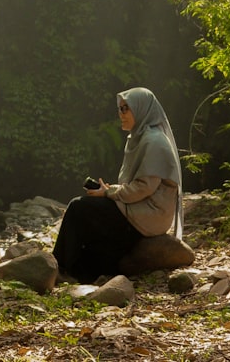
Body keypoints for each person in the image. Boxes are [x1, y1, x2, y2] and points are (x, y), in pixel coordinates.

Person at [51, 86, 184, 283]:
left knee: (78, 207)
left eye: (125, 109)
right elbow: (138, 185)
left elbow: (144, 187)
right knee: (92, 234)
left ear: (141, 109)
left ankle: (58, 266)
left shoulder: (154, 141)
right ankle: (71, 271)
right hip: (139, 207)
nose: (121, 114)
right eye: (120, 109)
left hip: (148, 215)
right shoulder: (139, 137)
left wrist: (109, 193)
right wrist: (110, 191)